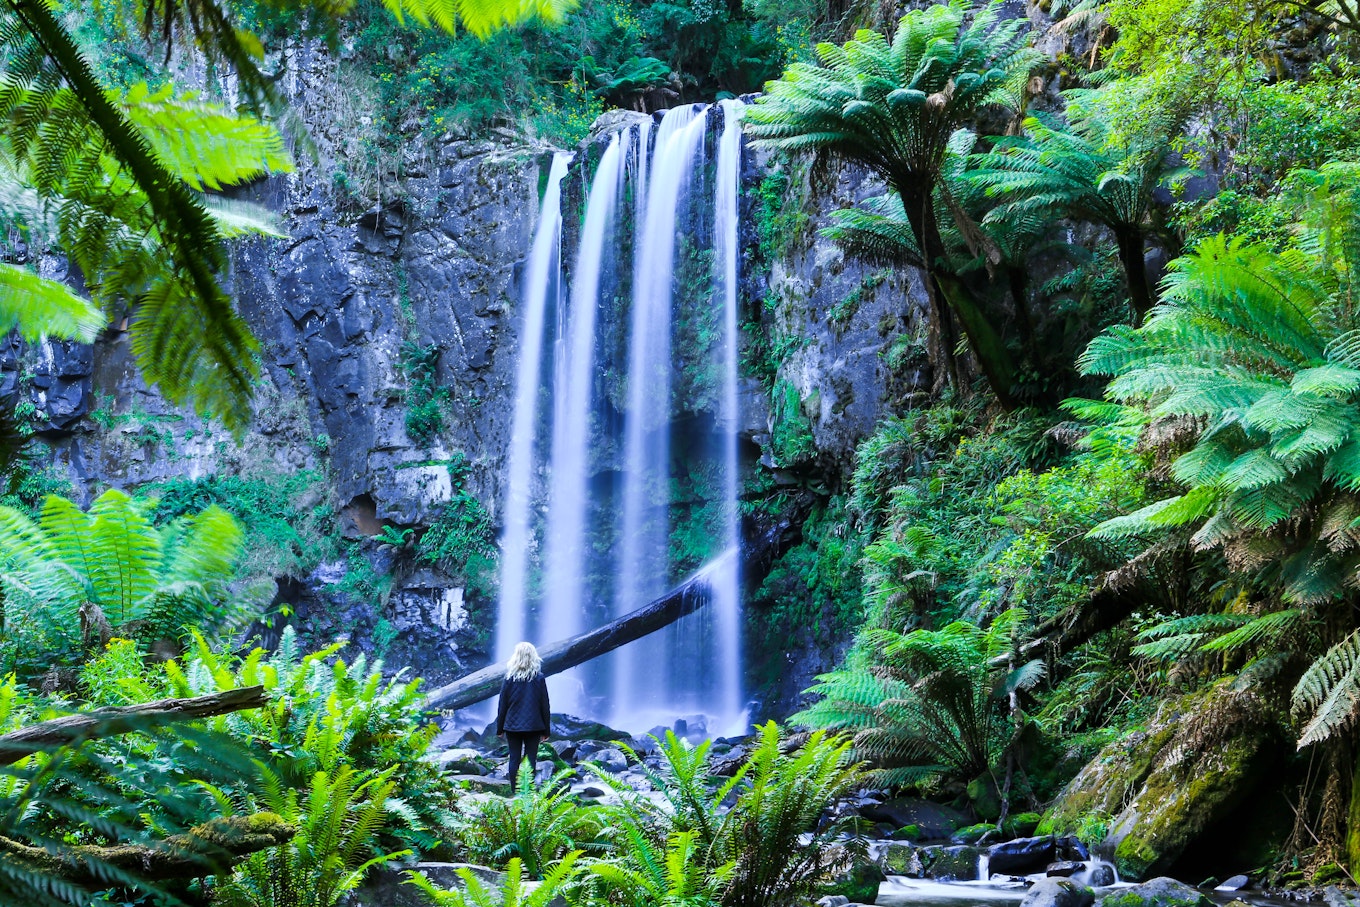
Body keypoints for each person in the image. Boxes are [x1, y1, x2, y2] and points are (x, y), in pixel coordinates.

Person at [495, 641, 551, 789]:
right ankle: (527, 791)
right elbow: (545, 706)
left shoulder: (509, 679)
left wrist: (499, 728)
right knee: (530, 758)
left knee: (514, 758)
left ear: (515, 657)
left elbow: (503, 706)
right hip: (534, 726)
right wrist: (546, 731)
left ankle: (514, 790)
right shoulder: (539, 678)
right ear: (534, 657)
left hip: (512, 726)